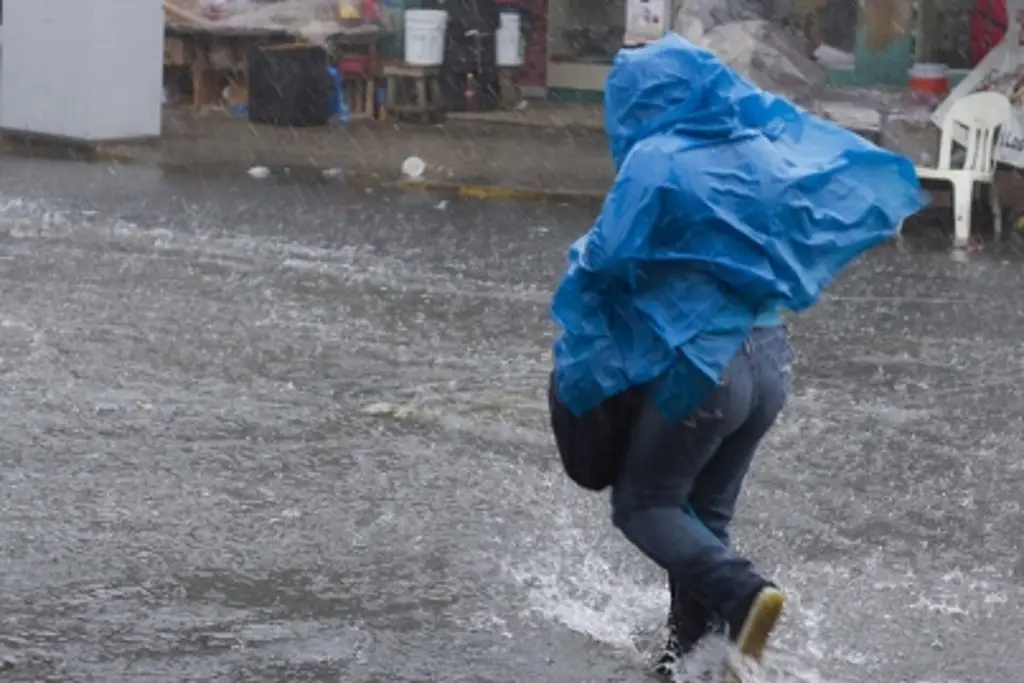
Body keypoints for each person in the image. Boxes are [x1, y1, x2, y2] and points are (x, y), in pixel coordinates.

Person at [548, 33, 924, 676]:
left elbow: (609, 257)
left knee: (647, 504)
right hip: (769, 359)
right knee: (702, 517)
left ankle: (745, 594)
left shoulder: (659, 158)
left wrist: (579, 266)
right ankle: (688, 658)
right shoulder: (758, 148)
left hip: (702, 368)